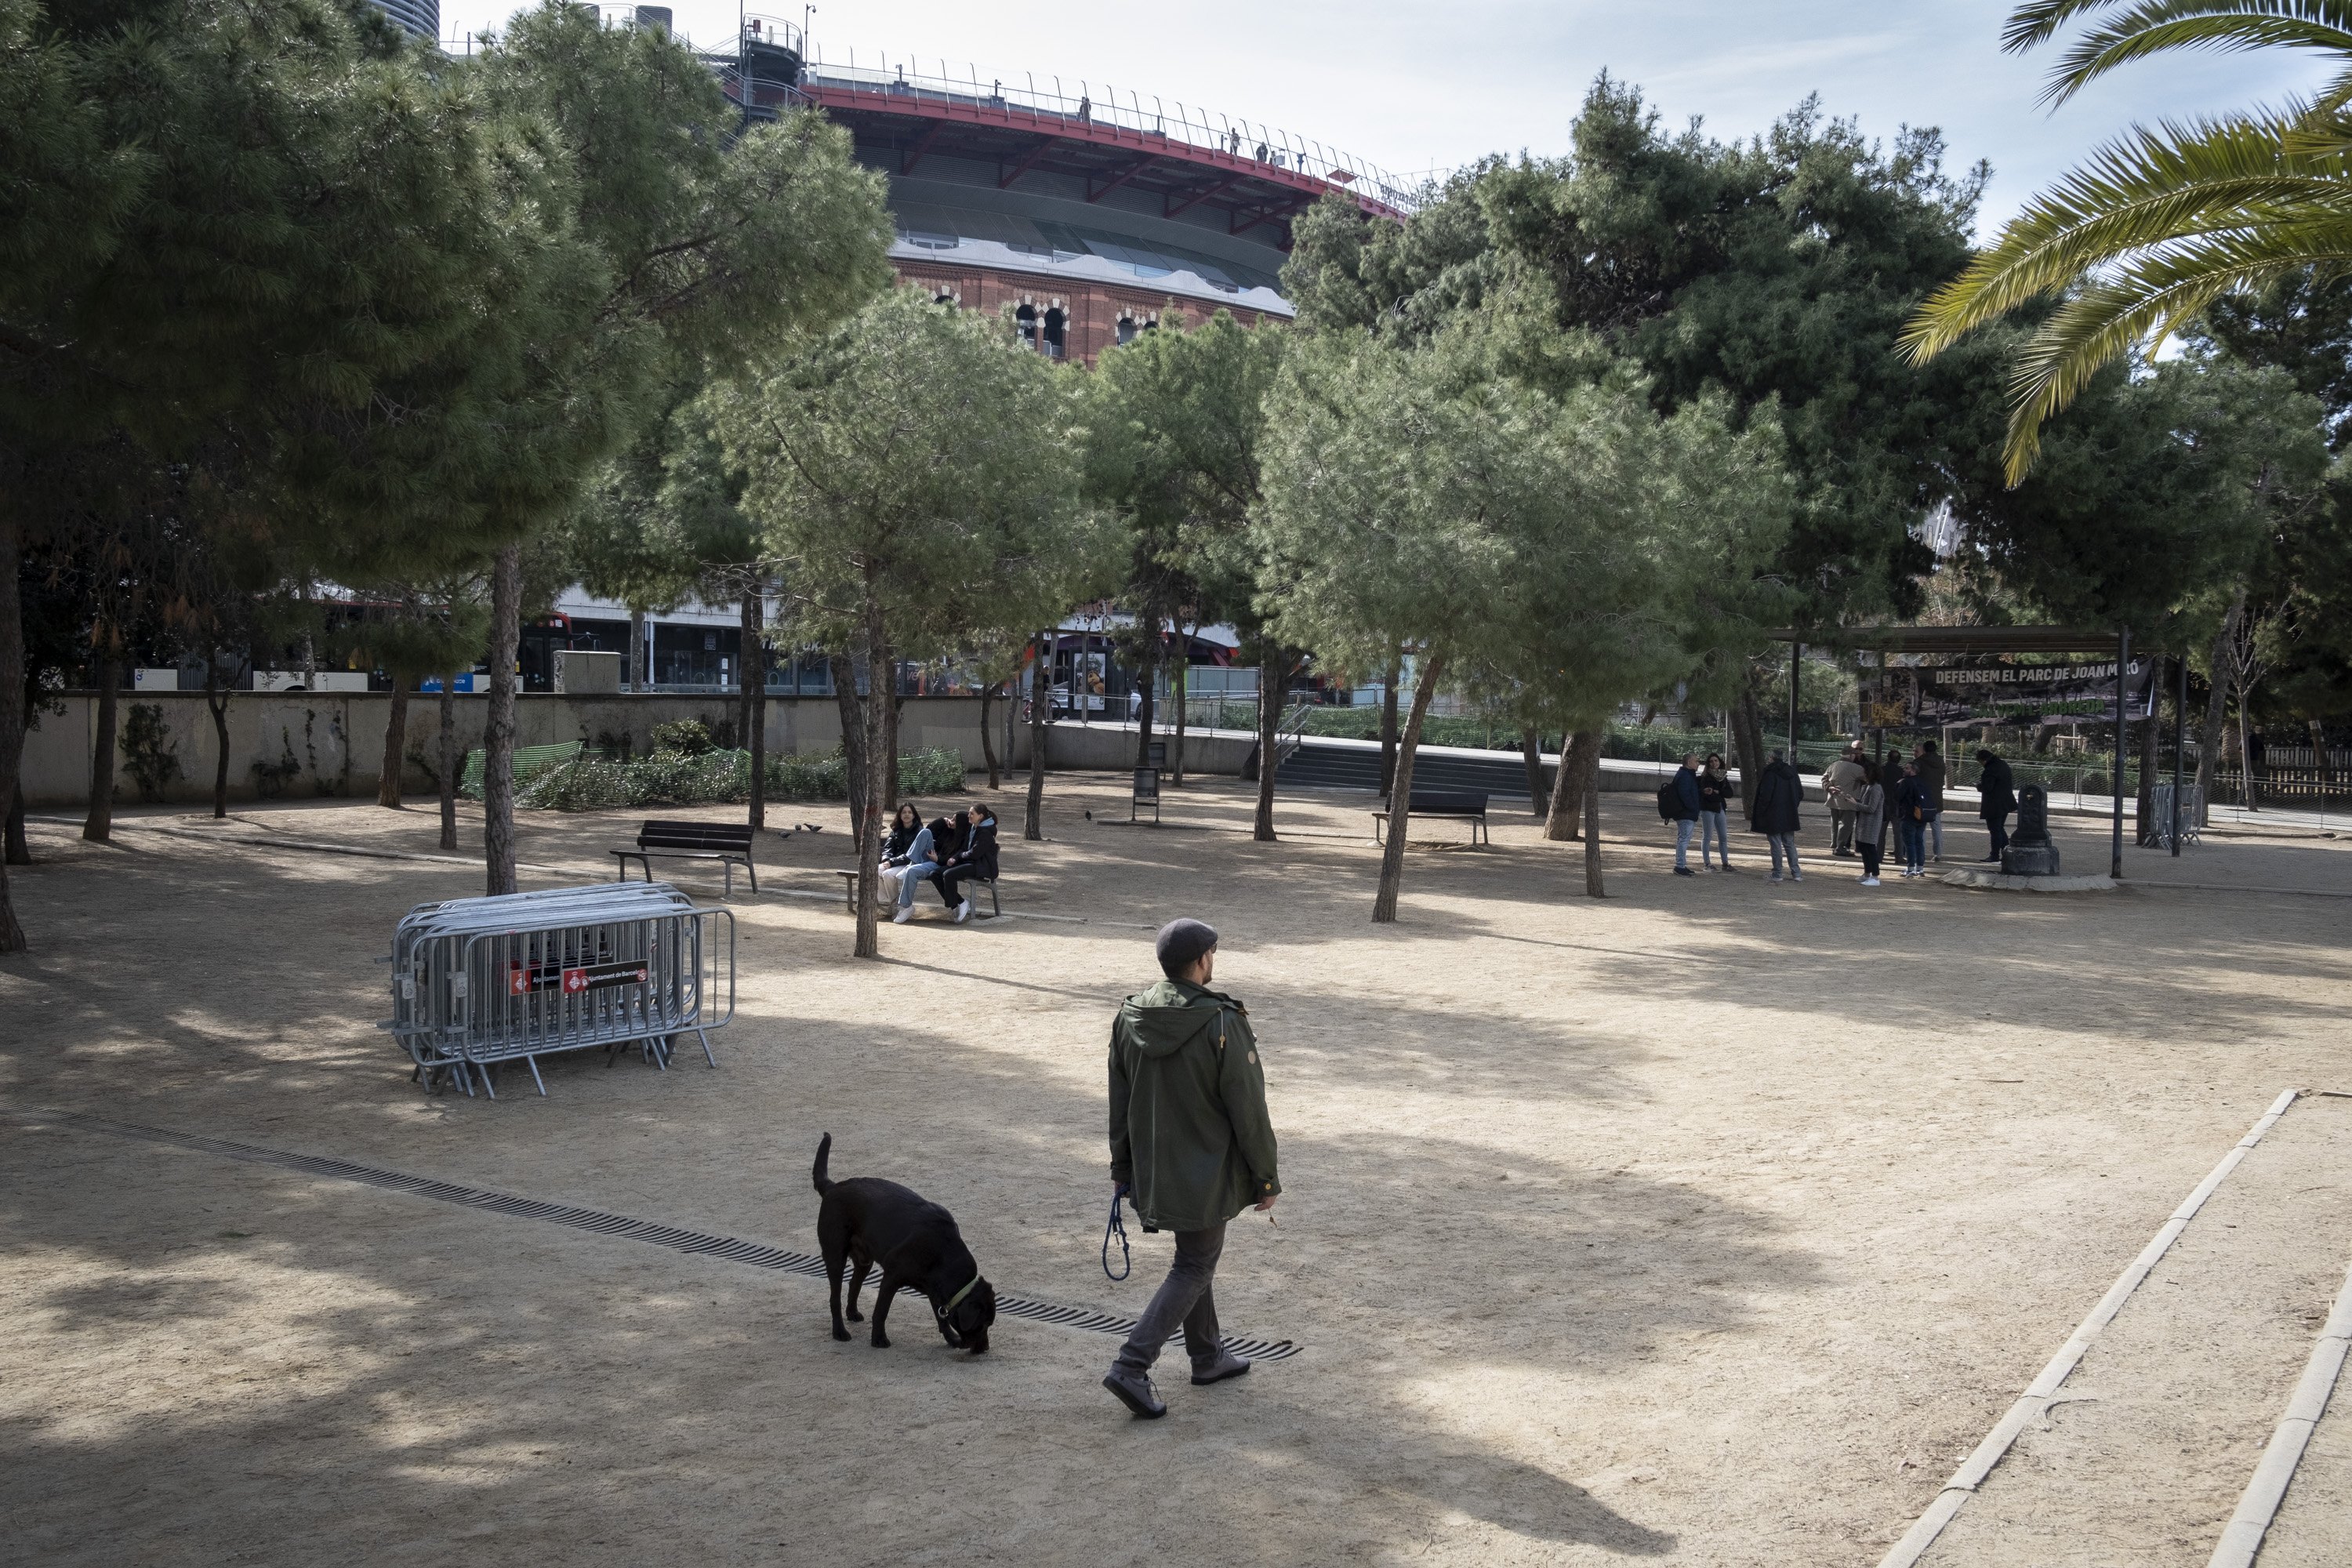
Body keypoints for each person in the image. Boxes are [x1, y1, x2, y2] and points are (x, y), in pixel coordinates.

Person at [1103, 919, 1279, 1419]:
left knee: (1195, 1256)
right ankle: (1131, 1366)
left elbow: (1119, 1099)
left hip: (1155, 1165)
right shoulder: (1222, 1020)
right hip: (1206, 1169)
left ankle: (1207, 1355)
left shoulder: (1129, 1014)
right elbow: (1248, 1109)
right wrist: (1265, 1176)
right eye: (1213, 954)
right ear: (1201, 961)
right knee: (1195, 1264)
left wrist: (1122, 1165)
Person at [1748, 747, 1804, 883]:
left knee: (1776, 844)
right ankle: (1796, 873)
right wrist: (1792, 806)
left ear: (1771, 758)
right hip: (1789, 813)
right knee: (1789, 843)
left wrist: (1761, 811)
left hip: (1773, 814)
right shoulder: (1792, 773)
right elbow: (1800, 793)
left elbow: (1765, 795)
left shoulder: (1770, 773)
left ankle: (1778, 873)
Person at [938, 802, 998, 922]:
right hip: (970, 862)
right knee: (935, 873)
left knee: (949, 874)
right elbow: (964, 848)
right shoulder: (974, 828)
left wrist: (959, 856)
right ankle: (960, 902)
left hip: (981, 866)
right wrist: (955, 857)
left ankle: (955, 906)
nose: (969, 816)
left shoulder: (985, 833)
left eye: (972, 813)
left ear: (980, 816)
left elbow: (975, 854)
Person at [891, 812, 956, 922]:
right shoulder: (946, 828)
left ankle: (906, 907)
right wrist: (942, 820)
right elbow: (929, 829)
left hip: (939, 863)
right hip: (931, 857)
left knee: (912, 872)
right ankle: (911, 864)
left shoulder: (960, 838)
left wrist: (938, 859)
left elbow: (953, 857)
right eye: (951, 818)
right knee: (926, 832)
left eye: (954, 820)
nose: (951, 821)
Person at [1831, 760, 1886, 885]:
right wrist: (1851, 799)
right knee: (1865, 849)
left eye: (1865, 773)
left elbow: (1871, 808)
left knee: (1871, 849)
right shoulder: (1867, 787)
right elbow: (1862, 804)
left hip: (1871, 824)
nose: (1863, 775)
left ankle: (1875, 877)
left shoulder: (1876, 788)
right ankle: (1867, 873)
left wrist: (1855, 804)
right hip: (1864, 823)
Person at [1976, 748, 2017, 862]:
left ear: (1983, 760)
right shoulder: (2002, 764)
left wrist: (1979, 786)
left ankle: (1995, 855)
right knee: (1999, 829)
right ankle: (2007, 853)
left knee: (1995, 830)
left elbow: (1988, 788)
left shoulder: (1990, 769)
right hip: (2006, 802)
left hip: (1994, 804)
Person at [1822, 746, 1865, 856]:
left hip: (1833, 799)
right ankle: (1840, 847)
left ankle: (1834, 844)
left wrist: (1829, 788)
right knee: (1846, 826)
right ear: (1851, 755)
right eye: (1854, 754)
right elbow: (1867, 779)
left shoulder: (1833, 765)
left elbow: (1824, 779)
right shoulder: (1857, 768)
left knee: (1835, 824)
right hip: (1849, 800)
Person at [1697, 753, 1735, 871]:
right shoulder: (1705, 777)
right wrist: (1716, 793)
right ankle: (1707, 863)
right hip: (1708, 808)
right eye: (1711, 761)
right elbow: (1706, 794)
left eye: (1716, 761)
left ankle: (1725, 863)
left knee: (1723, 836)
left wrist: (1718, 792)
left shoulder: (1723, 776)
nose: (1714, 763)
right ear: (1708, 764)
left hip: (1720, 809)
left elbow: (1730, 794)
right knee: (1707, 836)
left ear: (1720, 762)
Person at [877, 802, 922, 901]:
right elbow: (888, 848)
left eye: (910, 812)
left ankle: (895, 904)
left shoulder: (919, 832)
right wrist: (886, 860)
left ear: (914, 815)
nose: (907, 815)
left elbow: (912, 854)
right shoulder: (896, 830)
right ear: (900, 815)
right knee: (875, 871)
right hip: (895, 862)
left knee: (887, 874)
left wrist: (892, 862)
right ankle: (887, 902)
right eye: (904, 812)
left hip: (910, 863)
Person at [1668, 753, 1701, 876]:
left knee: (1683, 838)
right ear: (1689, 762)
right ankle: (1680, 865)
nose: (1698, 763)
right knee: (1684, 839)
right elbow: (1685, 794)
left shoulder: (1686, 775)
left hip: (1685, 812)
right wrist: (1693, 808)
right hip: (1685, 813)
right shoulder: (1685, 776)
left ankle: (1681, 864)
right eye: (1696, 761)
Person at [1893, 760, 1929, 877]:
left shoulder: (1906, 782)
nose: (1904, 769)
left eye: (1907, 768)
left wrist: (1897, 785)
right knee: (1919, 842)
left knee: (1910, 843)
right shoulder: (1922, 781)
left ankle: (1910, 868)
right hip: (1921, 816)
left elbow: (1897, 796)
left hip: (1908, 816)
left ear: (1913, 770)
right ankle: (1920, 868)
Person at [1914, 741, 1947, 861]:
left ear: (1924, 749)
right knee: (1937, 828)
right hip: (1937, 799)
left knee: (1921, 828)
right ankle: (1938, 853)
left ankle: (1920, 853)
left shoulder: (1919, 762)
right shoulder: (1941, 761)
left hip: (1922, 799)